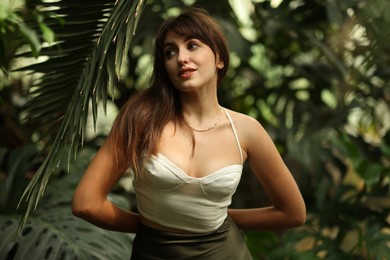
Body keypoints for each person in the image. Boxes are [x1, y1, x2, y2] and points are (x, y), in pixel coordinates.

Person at [72, 7, 306, 260]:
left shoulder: (246, 130)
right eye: (170, 52)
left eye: (192, 46)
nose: (181, 57)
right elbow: (86, 203)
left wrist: (219, 217)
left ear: (219, 59)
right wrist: (150, 226)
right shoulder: (140, 119)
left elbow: (293, 213)